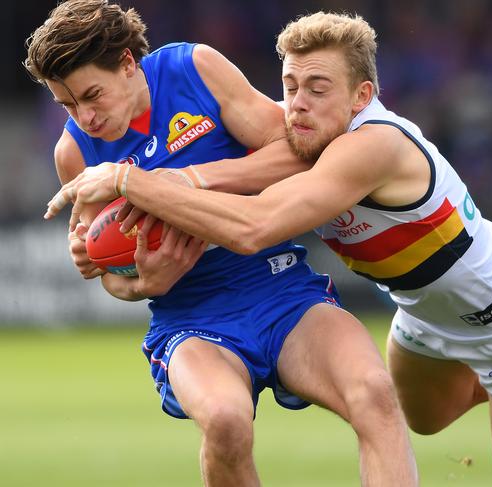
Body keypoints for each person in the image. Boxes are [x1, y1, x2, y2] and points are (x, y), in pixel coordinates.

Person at [45, 10, 492, 486]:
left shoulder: (365, 146)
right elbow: (112, 266)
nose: (295, 106)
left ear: (361, 94)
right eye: (289, 87)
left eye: (315, 88)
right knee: (419, 417)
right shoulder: (307, 132)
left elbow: (257, 218)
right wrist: (131, 279)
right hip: (417, 310)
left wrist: (145, 181)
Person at [27, 3, 419, 486]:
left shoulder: (192, 68)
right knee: (225, 422)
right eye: (67, 106)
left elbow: (297, 155)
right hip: (190, 318)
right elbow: (112, 276)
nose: (84, 117)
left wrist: (185, 181)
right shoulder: (74, 153)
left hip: (280, 288)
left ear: (128, 64)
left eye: (92, 96)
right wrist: (138, 282)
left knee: (375, 393)